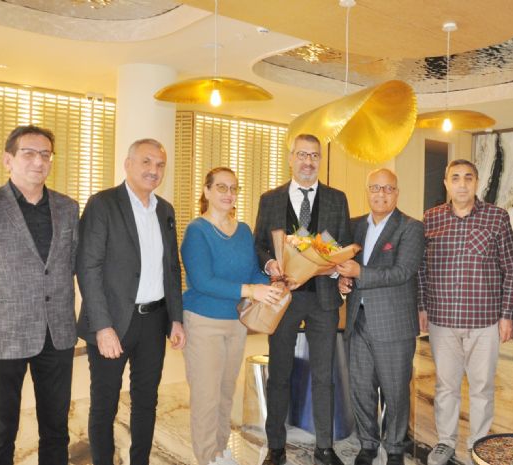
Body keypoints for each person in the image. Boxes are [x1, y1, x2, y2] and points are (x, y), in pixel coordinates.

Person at [0, 125, 79, 465]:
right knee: (0, 431)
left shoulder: (68, 208)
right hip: (2, 337)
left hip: (57, 335)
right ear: (8, 160)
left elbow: (70, 265)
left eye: (45, 154)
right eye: (29, 153)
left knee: (56, 429)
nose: (39, 161)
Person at [76, 138, 185, 465]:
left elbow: (171, 268)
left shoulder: (165, 210)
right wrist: (102, 326)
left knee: (146, 401)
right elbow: (88, 267)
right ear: (128, 164)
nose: (154, 170)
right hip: (113, 322)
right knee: (104, 404)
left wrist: (176, 318)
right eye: (146, 162)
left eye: (160, 165)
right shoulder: (103, 204)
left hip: (154, 321)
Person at [254, 133, 351, 465]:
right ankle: (276, 446)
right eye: (302, 155)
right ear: (290, 158)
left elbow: (343, 244)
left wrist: (335, 269)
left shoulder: (337, 199)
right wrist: (270, 264)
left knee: (324, 376)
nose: (308, 162)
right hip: (283, 299)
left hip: (324, 300)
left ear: (320, 160)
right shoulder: (270, 199)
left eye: (314, 156)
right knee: (279, 373)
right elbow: (259, 244)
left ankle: (324, 447)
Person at [418, 159, 513, 465]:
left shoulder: (496, 217)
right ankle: (445, 442)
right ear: (446, 183)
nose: (462, 184)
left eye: (468, 178)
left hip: (484, 320)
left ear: (477, 182)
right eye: (455, 178)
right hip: (442, 320)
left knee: (482, 387)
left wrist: (507, 314)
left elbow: (511, 267)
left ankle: (478, 444)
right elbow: (421, 268)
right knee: (445, 386)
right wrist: (422, 306)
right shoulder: (431, 218)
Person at [180, 167, 282, 465]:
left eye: (233, 188)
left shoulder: (244, 231)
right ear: (207, 191)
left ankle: (220, 451)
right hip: (203, 323)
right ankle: (206, 458)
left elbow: (251, 272)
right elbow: (203, 281)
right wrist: (251, 290)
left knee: (225, 393)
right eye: (221, 187)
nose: (228, 194)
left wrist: (272, 281)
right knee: (206, 397)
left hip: (236, 323)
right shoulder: (197, 231)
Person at [337, 168, 424, 465]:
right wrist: (342, 280)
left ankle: (396, 446)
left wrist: (359, 272)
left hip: (393, 324)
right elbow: (343, 265)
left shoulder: (410, 227)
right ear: (367, 191)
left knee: (395, 389)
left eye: (388, 188)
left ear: (396, 193)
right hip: (357, 320)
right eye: (375, 187)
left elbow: (402, 272)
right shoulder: (354, 226)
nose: (381, 194)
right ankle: (368, 443)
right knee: (361, 387)